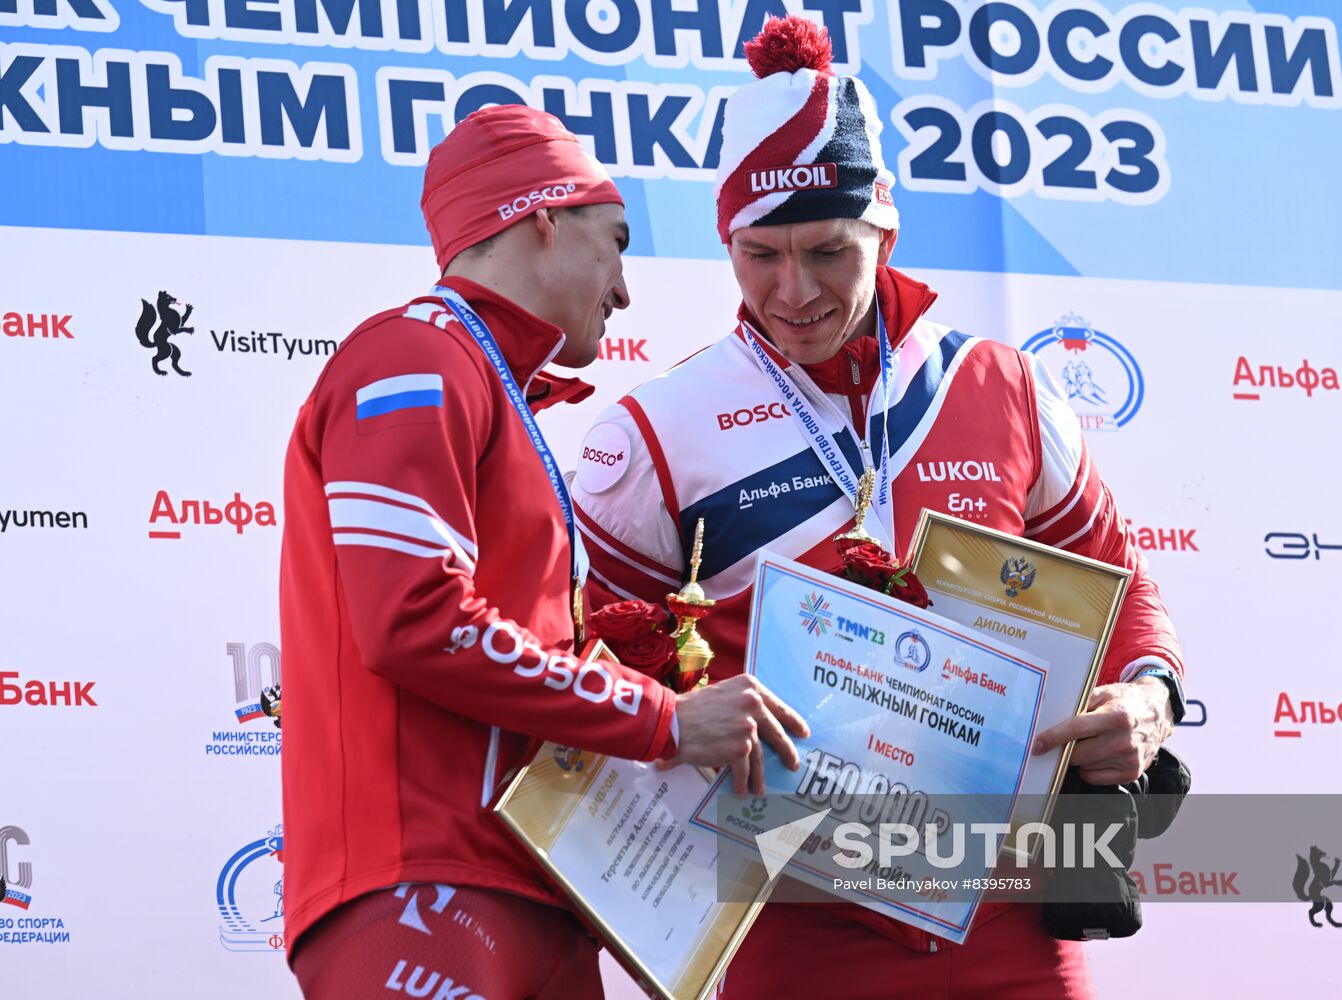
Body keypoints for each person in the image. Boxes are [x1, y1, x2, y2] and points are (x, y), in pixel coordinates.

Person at [570, 16, 1187, 999]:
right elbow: (575, 667)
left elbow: (1120, 588)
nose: (793, 289)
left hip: (1009, 915)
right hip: (792, 917)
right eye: (758, 253)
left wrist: (1148, 697)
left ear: (884, 228)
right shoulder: (657, 430)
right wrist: (676, 719)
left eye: (827, 250)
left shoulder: (1001, 387)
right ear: (725, 241)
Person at [278, 104, 807, 1000]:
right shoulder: (412, 355)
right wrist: (664, 720)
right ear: (542, 220)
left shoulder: (491, 385)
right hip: (425, 881)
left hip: (533, 883)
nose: (625, 289)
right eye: (617, 242)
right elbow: (414, 618)